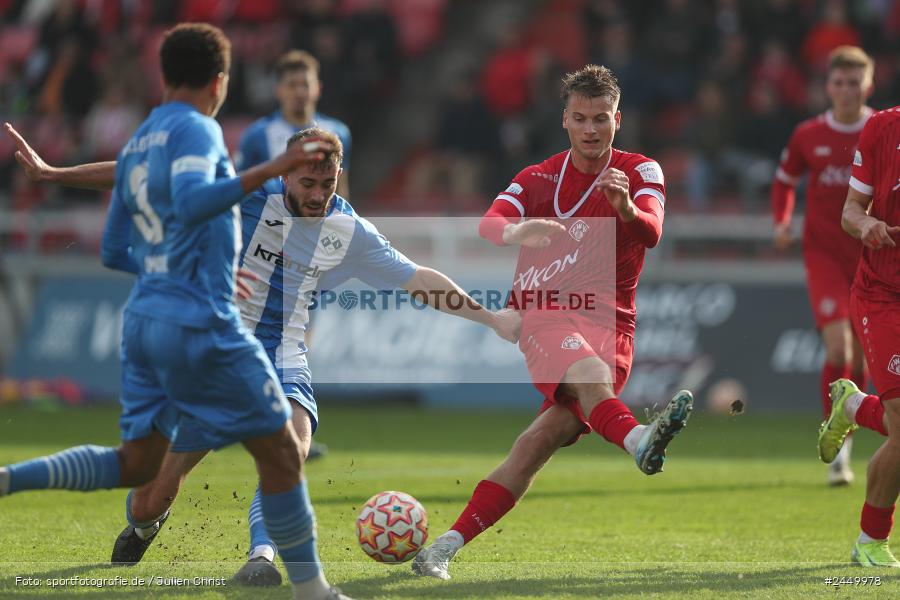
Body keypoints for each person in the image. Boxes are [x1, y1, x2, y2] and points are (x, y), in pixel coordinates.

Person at [4, 124, 521, 586]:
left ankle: (262, 556)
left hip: (283, 357)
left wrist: (492, 317)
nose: (319, 195)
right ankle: (145, 522)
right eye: (308, 184)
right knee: (152, 494)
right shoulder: (243, 193)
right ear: (287, 175)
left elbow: (420, 281)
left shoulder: (349, 230)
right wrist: (53, 173)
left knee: (290, 449)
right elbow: (143, 174)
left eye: (328, 184)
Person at [0, 24, 354, 600]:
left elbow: (117, 249)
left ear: (164, 75)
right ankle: (312, 590)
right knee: (284, 452)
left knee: (137, 469)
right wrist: (268, 170)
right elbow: (193, 201)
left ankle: (12, 478)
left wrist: (56, 176)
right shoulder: (199, 129)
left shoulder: (146, 138)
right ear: (220, 81)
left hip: (144, 318)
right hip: (203, 322)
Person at [412, 64, 693, 581]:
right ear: (565, 119)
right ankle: (639, 441)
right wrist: (519, 231)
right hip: (544, 312)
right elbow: (488, 224)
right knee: (589, 378)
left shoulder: (641, 171)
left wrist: (625, 208)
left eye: (601, 119)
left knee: (535, 445)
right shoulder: (538, 178)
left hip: (614, 325)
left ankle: (442, 549)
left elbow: (651, 231)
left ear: (617, 120)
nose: (591, 129)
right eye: (581, 118)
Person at [770, 46, 877, 486]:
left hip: (873, 255)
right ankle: (838, 452)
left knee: (868, 360)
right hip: (825, 256)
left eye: (855, 82)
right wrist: (780, 221)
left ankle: (845, 436)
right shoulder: (808, 134)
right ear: (828, 86)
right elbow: (784, 181)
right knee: (840, 350)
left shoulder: (882, 130)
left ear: (868, 85)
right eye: (840, 82)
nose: (847, 91)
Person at [818, 104, 900, 567]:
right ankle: (871, 541)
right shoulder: (883, 129)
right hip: (884, 295)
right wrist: (866, 223)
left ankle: (852, 405)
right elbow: (851, 210)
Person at [237, 50, 352, 200]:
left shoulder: (337, 132)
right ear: (278, 90)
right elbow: (239, 187)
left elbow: (341, 189)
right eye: (292, 85)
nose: (299, 92)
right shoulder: (257, 135)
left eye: (305, 85)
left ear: (318, 89)